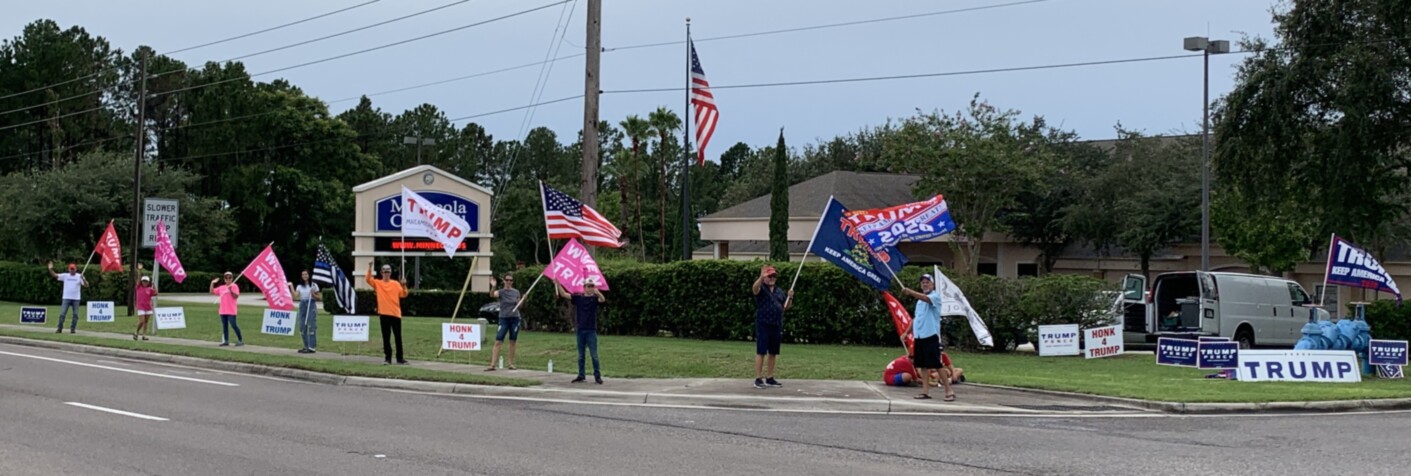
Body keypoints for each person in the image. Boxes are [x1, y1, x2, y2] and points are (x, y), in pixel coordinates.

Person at [901, 274, 954, 401]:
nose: (924, 284)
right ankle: (925, 391)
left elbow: (926, 298)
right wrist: (907, 332)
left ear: (932, 284)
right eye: (923, 282)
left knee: (937, 364)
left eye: (927, 282)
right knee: (923, 365)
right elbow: (916, 318)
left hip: (931, 335)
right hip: (919, 336)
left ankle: (949, 391)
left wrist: (910, 292)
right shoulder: (919, 302)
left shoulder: (934, 297)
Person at [750, 265, 793, 389]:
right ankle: (758, 378)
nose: (772, 278)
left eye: (774, 276)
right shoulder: (761, 289)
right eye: (769, 276)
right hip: (763, 323)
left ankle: (770, 377)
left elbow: (786, 307)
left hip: (776, 323)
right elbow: (754, 288)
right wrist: (760, 277)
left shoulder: (779, 291)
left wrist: (790, 297)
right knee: (761, 351)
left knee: (773, 352)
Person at [557, 278, 605, 384]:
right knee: (581, 355)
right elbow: (564, 294)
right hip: (580, 329)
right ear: (584, 287)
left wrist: (598, 293)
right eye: (588, 286)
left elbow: (602, 300)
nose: (590, 288)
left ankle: (597, 376)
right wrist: (558, 284)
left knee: (594, 355)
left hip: (591, 330)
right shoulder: (578, 297)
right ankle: (581, 375)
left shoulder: (594, 299)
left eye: (592, 286)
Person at [367, 263, 409, 365]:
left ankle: (400, 358)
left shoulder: (395, 284)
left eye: (388, 272)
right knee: (386, 338)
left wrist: (404, 285)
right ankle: (388, 358)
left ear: (390, 273)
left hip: (395, 314)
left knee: (398, 337)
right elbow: (368, 279)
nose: (387, 274)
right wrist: (370, 268)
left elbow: (403, 294)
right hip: (384, 314)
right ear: (381, 273)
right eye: (385, 272)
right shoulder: (378, 283)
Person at [486, 273, 521, 371]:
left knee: (512, 341)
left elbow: (520, 306)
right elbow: (492, 294)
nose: (509, 282)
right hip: (504, 318)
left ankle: (510, 363)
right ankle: (492, 364)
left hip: (515, 318)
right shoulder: (501, 292)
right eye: (507, 280)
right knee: (498, 340)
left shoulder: (516, 292)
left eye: (511, 280)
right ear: (504, 281)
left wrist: (523, 300)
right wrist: (493, 286)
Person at [47, 262, 88, 334]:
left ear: (76, 269)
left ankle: (73, 329)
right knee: (62, 314)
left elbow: (86, 285)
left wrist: (83, 279)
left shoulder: (79, 276)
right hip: (66, 298)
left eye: (73, 269)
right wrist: (50, 269)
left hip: (76, 298)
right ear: (69, 269)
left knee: (75, 314)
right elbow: (55, 275)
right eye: (71, 269)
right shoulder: (65, 276)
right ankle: (59, 328)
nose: (72, 271)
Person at [882, 354, 965, 387]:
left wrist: (952, 373)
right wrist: (931, 383)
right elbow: (917, 376)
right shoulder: (908, 363)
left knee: (955, 370)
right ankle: (946, 380)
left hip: (933, 373)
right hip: (890, 377)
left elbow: (950, 365)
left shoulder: (943, 356)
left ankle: (948, 380)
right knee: (908, 376)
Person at [210, 272, 244, 347]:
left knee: (233, 325)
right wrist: (212, 283)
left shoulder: (234, 286)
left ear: (232, 278)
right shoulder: (222, 287)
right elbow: (212, 291)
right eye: (226, 278)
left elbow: (236, 296)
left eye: (229, 278)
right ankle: (226, 341)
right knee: (224, 326)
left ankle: (240, 340)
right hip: (223, 310)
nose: (228, 279)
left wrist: (231, 290)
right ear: (224, 279)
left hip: (231, 310)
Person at [291, 270, 321, 354]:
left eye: (306, 274)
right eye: (303, 274)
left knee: (312, 326)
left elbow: (319, 298)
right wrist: (291, 286)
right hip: (302, 304)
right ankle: (306, 346)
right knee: (302, 326)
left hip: (311, 304)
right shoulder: (300, 286)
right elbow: (295, 296)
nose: (305, 275)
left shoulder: (313, 285)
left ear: (309, 275)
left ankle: (312, 347)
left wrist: (313, 294)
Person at [133, 276, 157, 340]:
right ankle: (136, 332)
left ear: (148, 282)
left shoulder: (150, 289)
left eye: (146, 281)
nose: (144, 282)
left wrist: (154, 285)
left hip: (148, 307)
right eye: (143, 281)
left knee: (146, 322)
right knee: (142, 321)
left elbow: (155, 293)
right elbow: (137, 281)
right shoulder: (138, 287)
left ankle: (144, 335)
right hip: (141, 307)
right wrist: (139, 271)